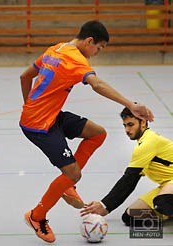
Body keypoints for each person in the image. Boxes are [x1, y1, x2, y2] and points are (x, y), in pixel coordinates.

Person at [19, 20, 154, 243]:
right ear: (89, 41)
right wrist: (131, 105)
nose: (97, 53)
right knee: (73, 172)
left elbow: (25, 76)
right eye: (98, 48)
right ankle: (36, 215)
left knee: (98, 133)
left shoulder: (57, 48)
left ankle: (68, 184)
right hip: (38, 126)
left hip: (50, 115)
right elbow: (97, 85)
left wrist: (30, 106)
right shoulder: (76, 59)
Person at [81, 106, 173, 227]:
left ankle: (166, 208)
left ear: (143, 123)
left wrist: (105, 206)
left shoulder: (149, 142)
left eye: (131, 124)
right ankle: (168, 212)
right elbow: (132, 179)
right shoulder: (142, 144)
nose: (127, 130)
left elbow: (129, 179)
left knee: (163, 202)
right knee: (130, 217)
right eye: (125, 125)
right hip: (167, 184)